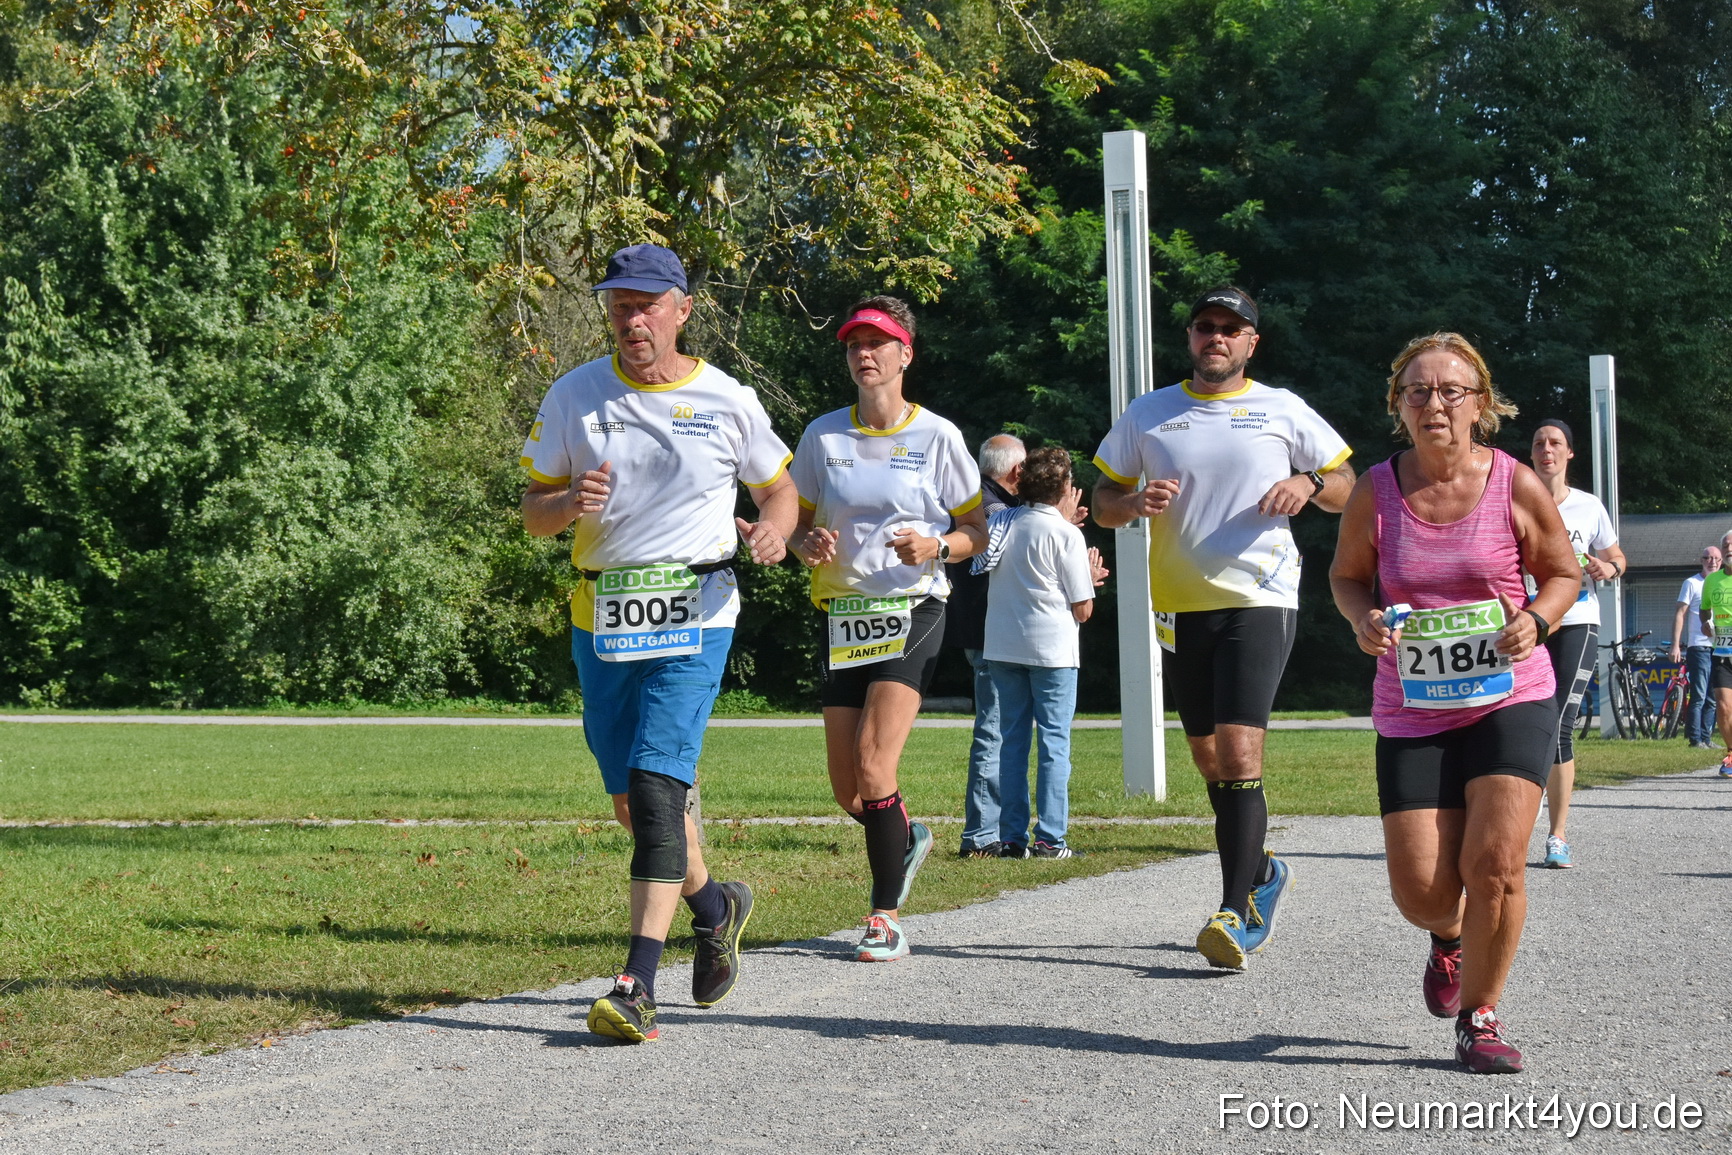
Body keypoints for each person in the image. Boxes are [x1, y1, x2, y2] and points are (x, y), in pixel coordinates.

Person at [519, 244, 797, 1042]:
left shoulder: (727, 398)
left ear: (681, 309)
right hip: (602, 618)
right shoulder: (575, 394)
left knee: (656, 786)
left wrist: (774, 534)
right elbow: (534, 510)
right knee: (630, 804)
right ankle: (716, 905)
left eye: (646, 304)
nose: (631, 318)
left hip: (699, 610)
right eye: (618, 304)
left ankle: (637, 980)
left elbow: (777, 490)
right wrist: (570, 498)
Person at [1331, 332, 1578, 1074]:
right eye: (1417, 391)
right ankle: (1448, 938)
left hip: (1510, 692)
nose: (1433, 402)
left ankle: (1480, 1014)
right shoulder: (1377, 489)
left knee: (1496, 864)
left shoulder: (1513, 484)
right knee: (1423, 891)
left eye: (1450, 391)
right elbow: (1347, 577)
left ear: (1481, 404)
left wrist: (1536, 618)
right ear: (1399, 406)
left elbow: (1563, 572)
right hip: (1414, 702)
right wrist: (1361, 618)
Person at [1091, 285, 1354, 970]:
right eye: (1205, 326)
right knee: (1210, 759)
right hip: (1178, 605)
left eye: (1230, 329)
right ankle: (1262, 869)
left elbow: (1347, 483)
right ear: (1190, 337)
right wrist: (1131, 500)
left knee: (1240, 753)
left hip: (1260, 596)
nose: (1216, 338)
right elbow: (1101, 502)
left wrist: (1308, 484)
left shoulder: (1281, 408)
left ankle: (1233, 911)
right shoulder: (1150, 413)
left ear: (1250, 343)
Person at [789, 296, 987, 961]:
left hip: (914, 610)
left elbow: (978, 530)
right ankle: (904, 831)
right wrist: (804, 543)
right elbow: (795, 522)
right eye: (853, 344)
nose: (863, 353)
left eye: (878, 343)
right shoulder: (823, 435)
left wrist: (938, 546)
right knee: (850, 787)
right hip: (843, 615)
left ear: (906, 354)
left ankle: (884, 916)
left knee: (877, 762)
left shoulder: (938, 436)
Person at [976, 447, 1109, 858]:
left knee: (1011, 743)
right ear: (1066, 488)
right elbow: (1082, 610)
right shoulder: (1067, 534)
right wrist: (1087, 577)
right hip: (1052, 650)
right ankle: (1050, 838)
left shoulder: (1001, 521)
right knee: (1053, 744)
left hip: (1002, 644)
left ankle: (1012, 837)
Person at [1527, 419, 1625, 868]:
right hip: (1528, 623)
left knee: (1559, 723)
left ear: (1569, 454)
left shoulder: (1588, 507)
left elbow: (1617, 557)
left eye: (1555, 443)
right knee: (1524, 720)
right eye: (1539, 443)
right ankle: (1518, 813)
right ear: (1531, 453)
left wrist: (1610, 569)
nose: (1547, 449)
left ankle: (1557, 835)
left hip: (1579, 619)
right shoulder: (1516, 498)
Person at [946, 434, 1025, 858]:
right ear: (1016, 471)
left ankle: (990, 830)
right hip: (989, 634)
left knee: (997, 729)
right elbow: (1002, 560)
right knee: (993, 731)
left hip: (987, 631)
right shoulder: (993, 508)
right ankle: (980, 835)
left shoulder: (982, 501)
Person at [1670, 545, 1722, 749]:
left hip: (1720, 647)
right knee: (1699, 695)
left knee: (1713, 696)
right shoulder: (1691, 583)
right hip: (1699, 647)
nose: (1712, 561)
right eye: (1707, 558)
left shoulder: (1725, 583)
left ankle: (1707, 737)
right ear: (1701, 560)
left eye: (1716, 558)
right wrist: (1675, 645)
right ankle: (1695, 739)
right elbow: (1680, 614)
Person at [1697, 532, 1732, 776]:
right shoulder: (1712, 581)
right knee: (1723, 705)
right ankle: (1731, 753)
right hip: (1722, 652)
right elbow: (1704, 610)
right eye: (1725, 545)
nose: (1729, 547)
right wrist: (1706, 623)